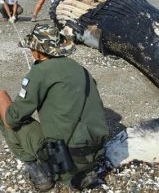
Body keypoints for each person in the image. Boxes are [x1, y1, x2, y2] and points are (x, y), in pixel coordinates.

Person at [0, 24, 109, 191]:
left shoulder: (39, 72)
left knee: (4, 110)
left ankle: (40, 174)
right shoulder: (80, 69)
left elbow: (12, 119)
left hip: (65, 160)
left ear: (37, 51)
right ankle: (84, 172)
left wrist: (3, 96)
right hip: (94, 153)